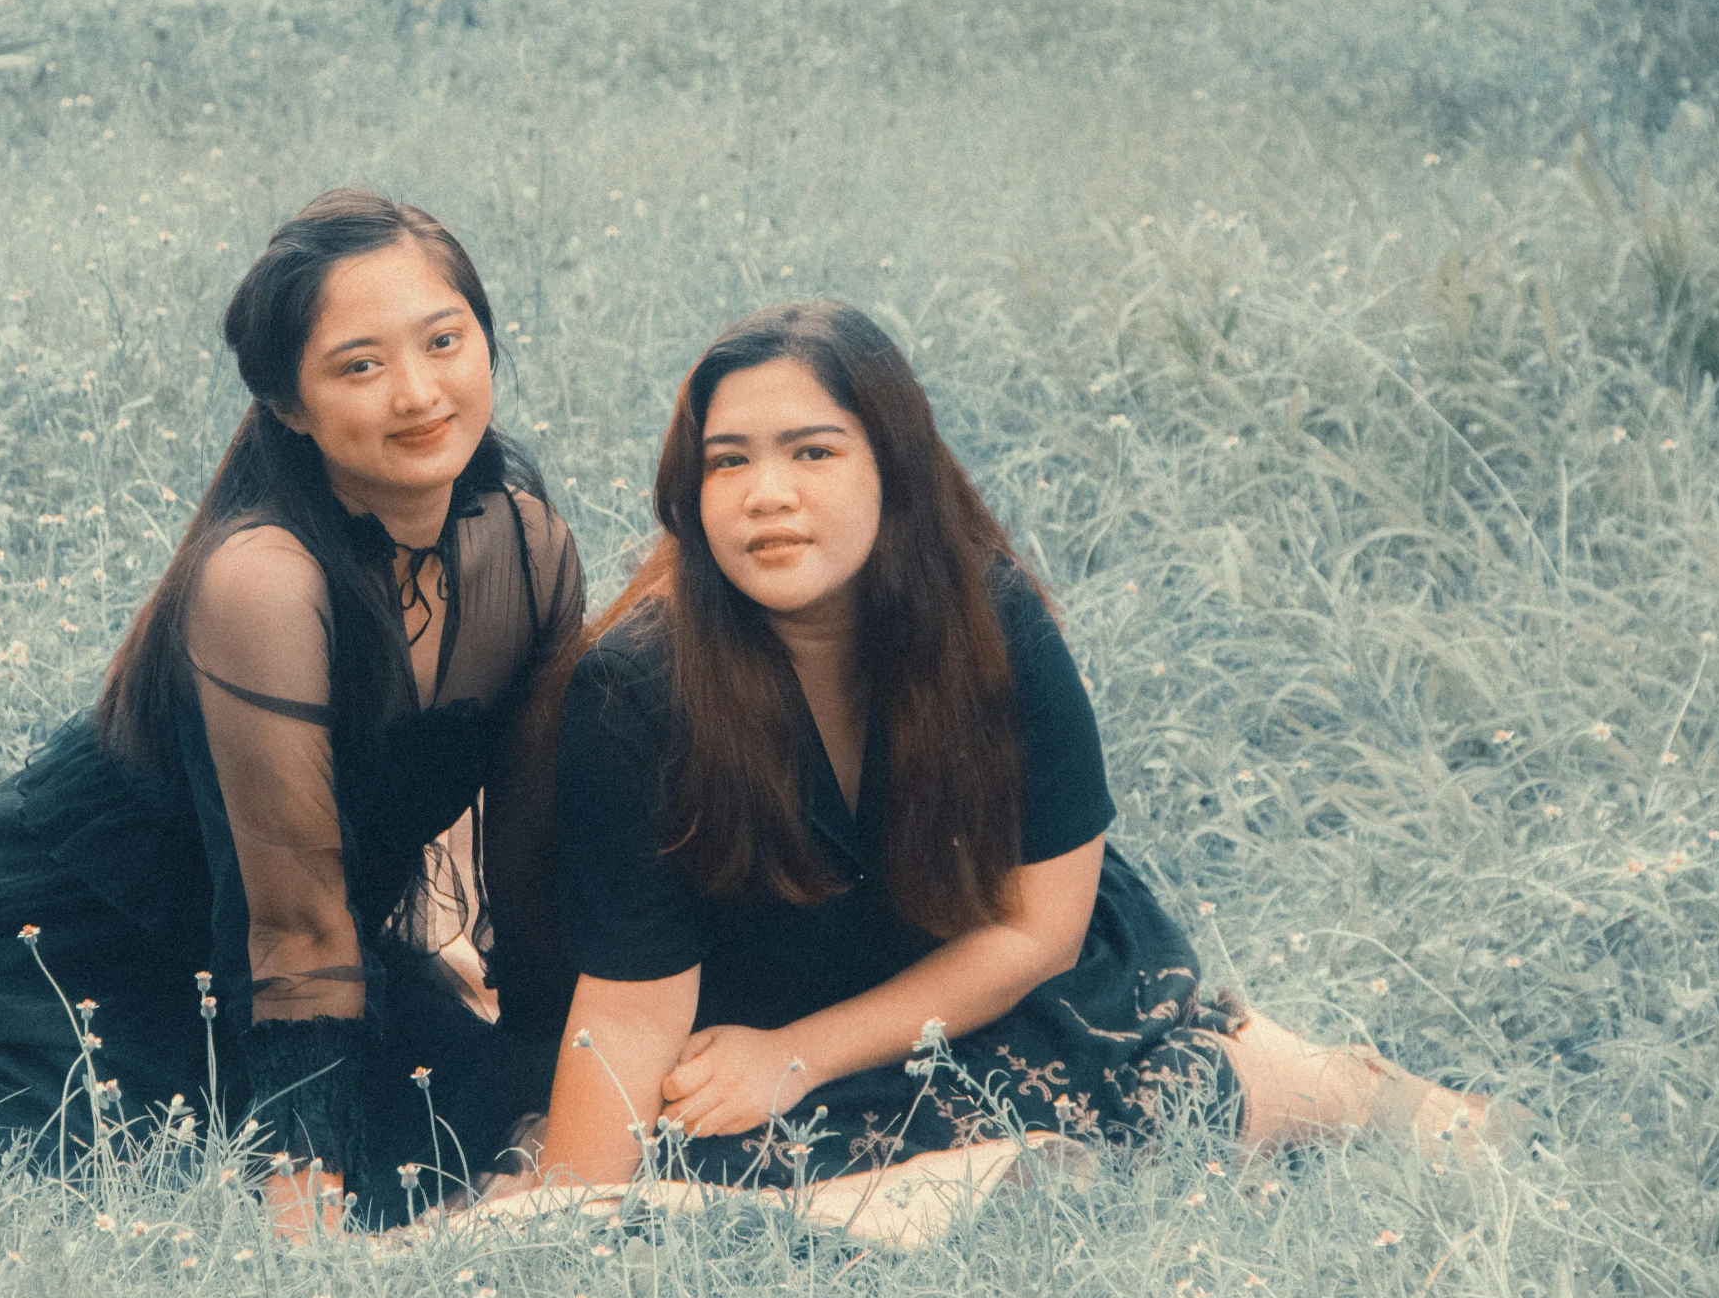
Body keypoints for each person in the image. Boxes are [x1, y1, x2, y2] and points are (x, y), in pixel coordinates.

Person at [0, 189, 585, 1233]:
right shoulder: (262, 578)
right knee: (132, 1143)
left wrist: (545, 1057)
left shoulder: (525, 547)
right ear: (287, 402)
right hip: (100, 918)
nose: (420, 392)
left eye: (445, 340)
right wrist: (310, 1226)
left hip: (309, 921)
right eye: (359, 364)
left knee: (459, 1115)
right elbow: (291, 929)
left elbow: (526, 850)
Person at [532, 302, 1522, 1189]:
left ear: (894, 468)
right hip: (770, 993)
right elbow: (630, 1004)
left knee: (1129, 1105)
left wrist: (801, 1053)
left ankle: (1329, 1086)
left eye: (814, 452)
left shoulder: (985, 618)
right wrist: (563, 1220)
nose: (765, 493)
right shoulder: (635, 687)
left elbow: (1038, 928)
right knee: (715, 1178)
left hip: (993, 957)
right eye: (728, 460)